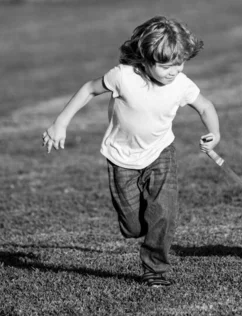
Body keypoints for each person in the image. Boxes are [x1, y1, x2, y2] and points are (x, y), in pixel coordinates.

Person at [41, 16, 220, 287]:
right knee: (134, 226)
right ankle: (146, 229)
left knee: (164, 212)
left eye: (179, 63)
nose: (174, 71)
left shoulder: (181, 84)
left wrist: (214, 133)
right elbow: (89, 90)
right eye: (165, 65)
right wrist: (60, 122)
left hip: (161, 153)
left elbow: (205, 106)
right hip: (121, 158)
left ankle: (155, 271)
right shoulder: (123, 76)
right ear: (146, 59)